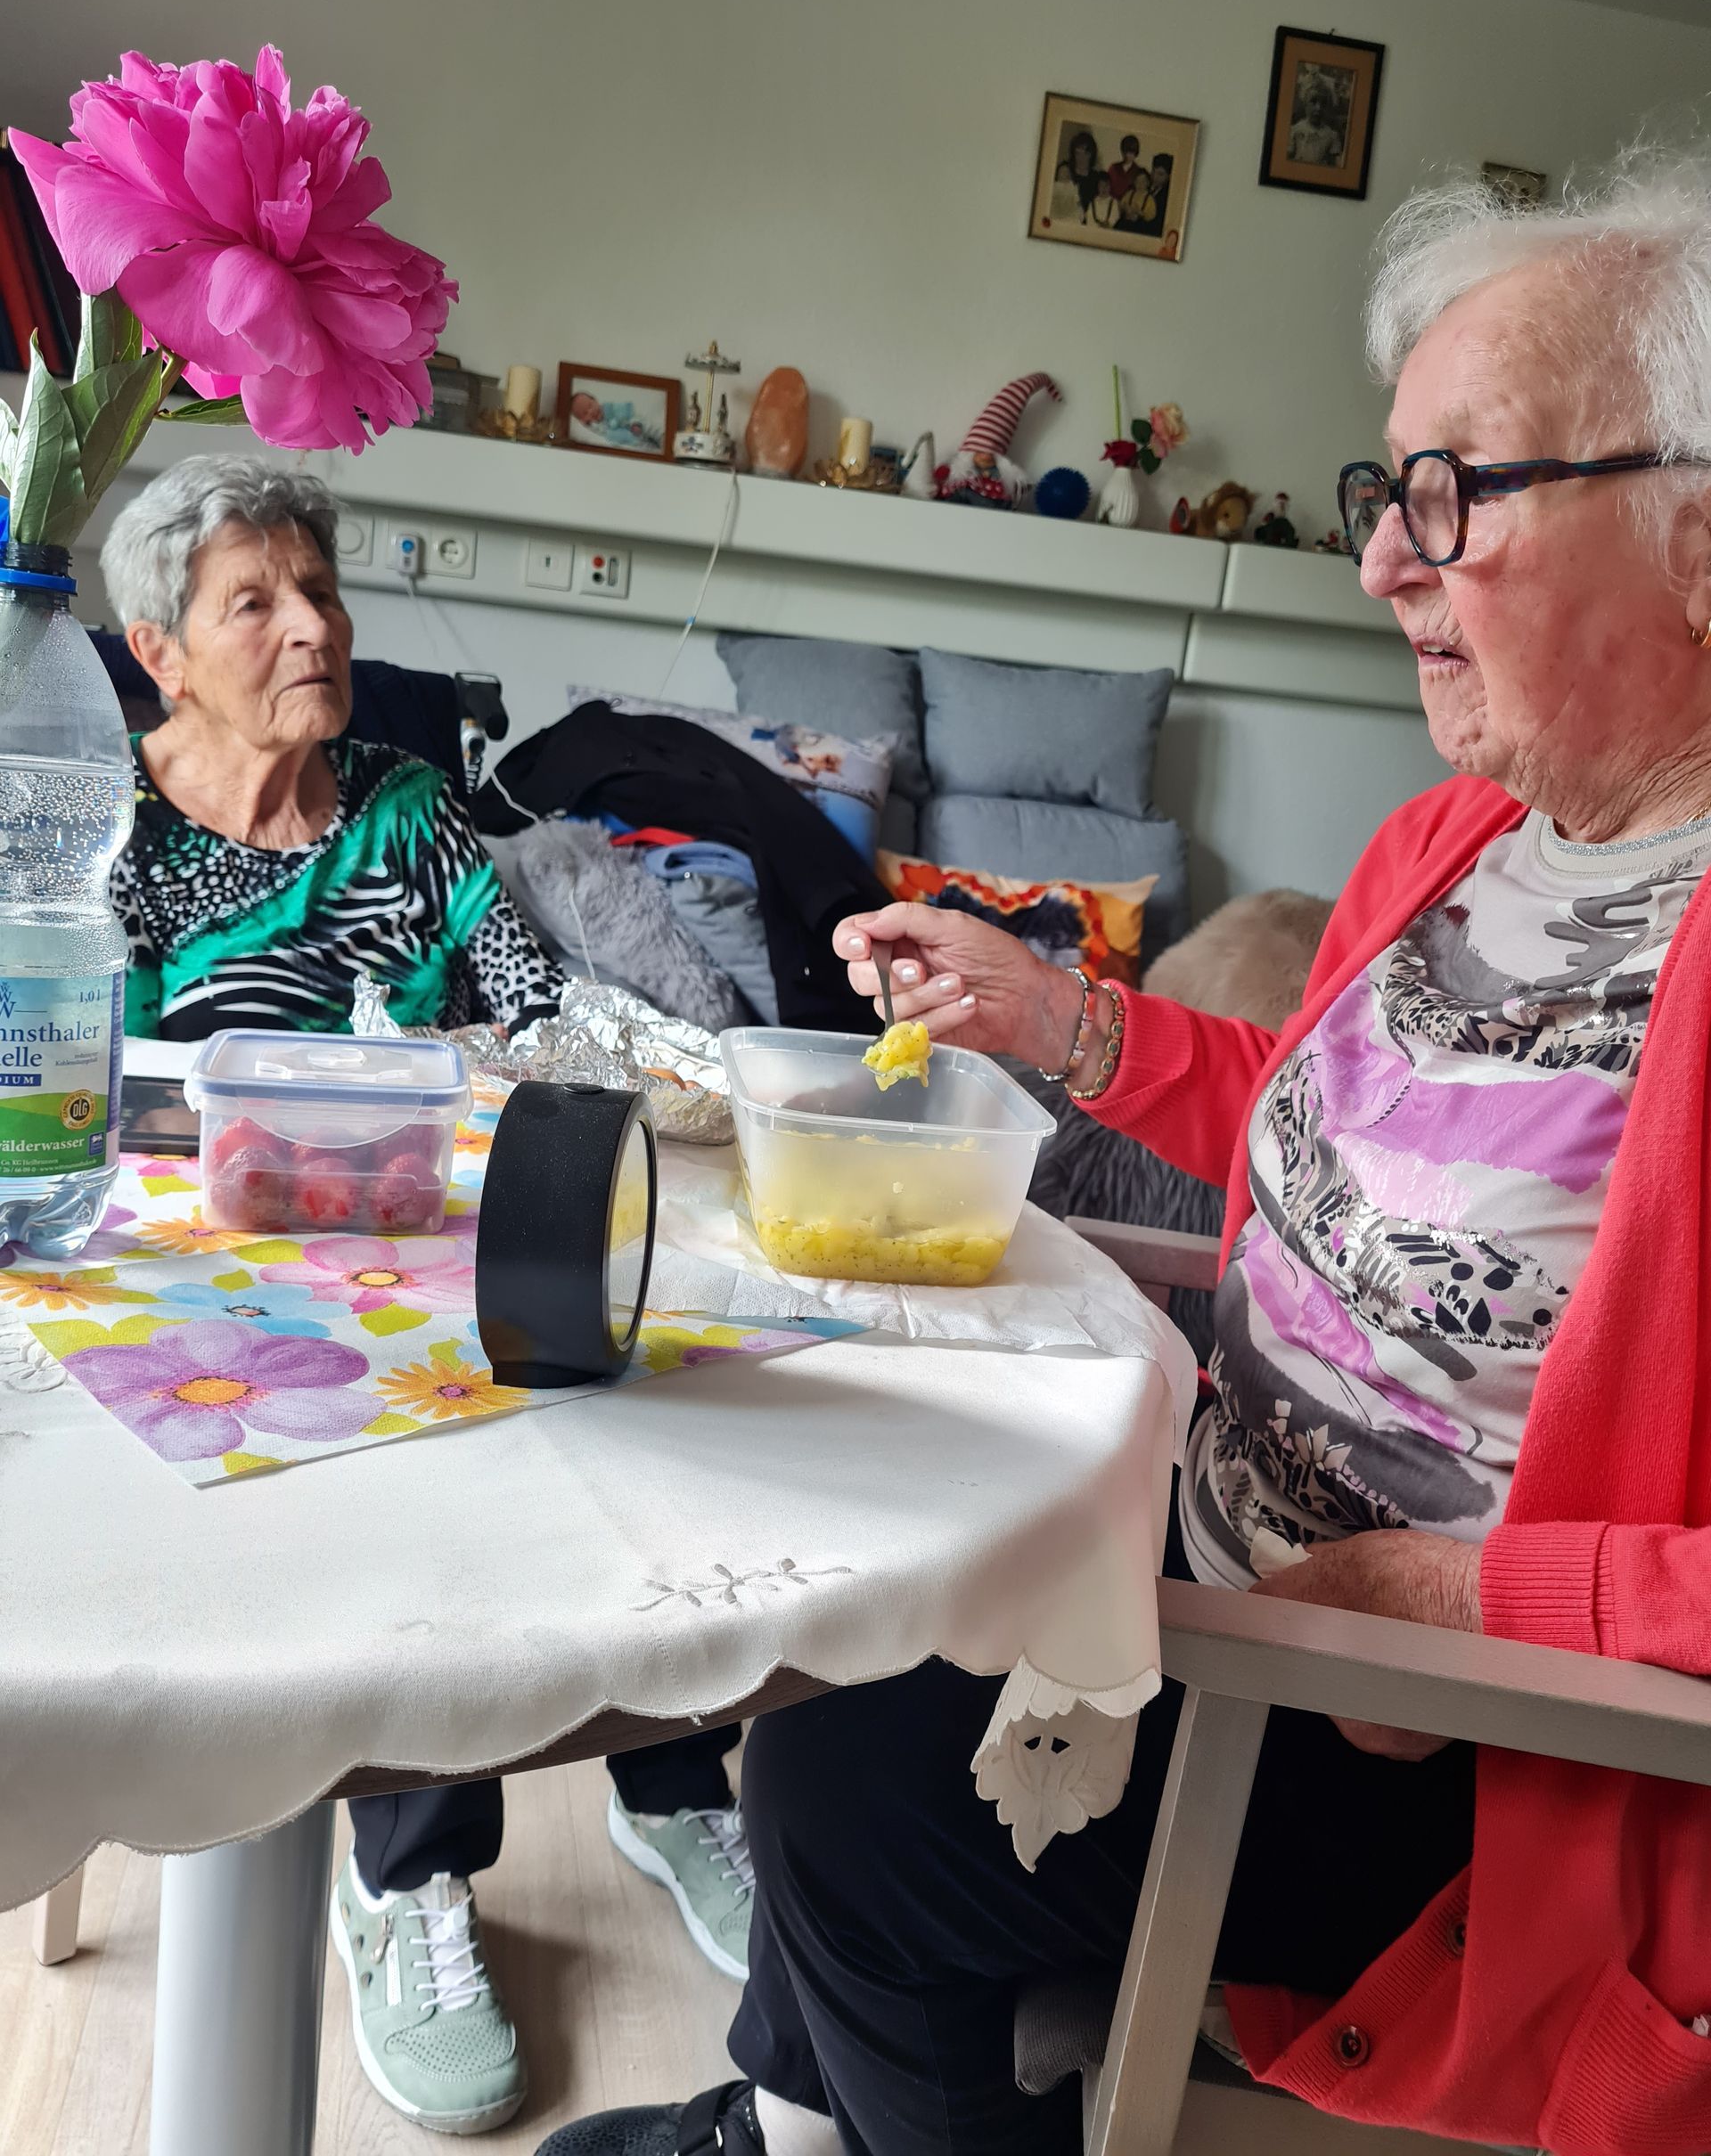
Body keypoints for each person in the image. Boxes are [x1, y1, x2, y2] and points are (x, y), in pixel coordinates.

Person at [544, 151, 1711, 2156]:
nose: (1384, 559)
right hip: (1208, 1545)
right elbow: (1347, 1146)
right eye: (1386, 490)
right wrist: (1056, 1014)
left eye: (1457, 489)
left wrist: (1467, 1599)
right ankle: (795, 2120)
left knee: (850, 1787)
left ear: (1698, 534)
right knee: (855, 1591)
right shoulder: (1456, 844)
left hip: (1457, 1757)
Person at [101, 457, 757, 2136]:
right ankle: (410, 1877)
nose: (312, 628)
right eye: (255, 602)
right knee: (406, 1438)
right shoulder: (111, 832)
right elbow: (91, 1102)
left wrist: (691, 1083)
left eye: (320, 591)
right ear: (159, 651)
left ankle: (674, 1778)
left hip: (429, 1233)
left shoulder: (403, 799)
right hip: (213, 1279)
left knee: (616, 1341)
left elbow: (533, 1008)